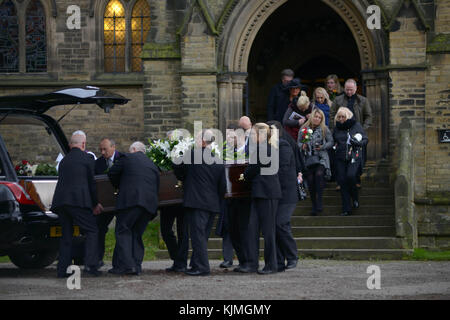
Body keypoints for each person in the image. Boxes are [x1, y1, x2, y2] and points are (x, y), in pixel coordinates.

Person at [173, 129, 227, 276]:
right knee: (203, 235)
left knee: (197, 236)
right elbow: (223, 186)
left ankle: (202, 267)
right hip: (212, 203)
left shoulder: (192, 154)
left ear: (203, 141)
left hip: (196, 201)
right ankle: (197, 263)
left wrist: (185, 178)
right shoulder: (218, 160)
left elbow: (176, 166)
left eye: (197, 138)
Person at [51, 132, 103, 278]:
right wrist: (95, 204)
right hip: (78, 202)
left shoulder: (64, 161)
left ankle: (63, 270)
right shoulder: (87, 159)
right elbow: (91, 184)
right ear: (84, 144)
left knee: (66, 235)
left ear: (70, 145)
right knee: (92, 230)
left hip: (61, 202)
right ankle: (91, 265)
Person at [107, 141, 160, 275]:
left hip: (130, 200)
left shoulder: (127, 157)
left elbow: (112, 172)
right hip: (148, 204)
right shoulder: (153, 165)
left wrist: (120, 186)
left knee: (123, 231)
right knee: (136, 234)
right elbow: (157, 185)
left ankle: (128, 266)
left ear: (134, 149)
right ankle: (136, 265)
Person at [242, 123, 282, 275]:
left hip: (267, 193)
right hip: (261, 192)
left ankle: (271, 264)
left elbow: (252, 170)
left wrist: (244, 176)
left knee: (267, 231)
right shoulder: (266, 148)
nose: (251, 137)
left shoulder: (262, 148)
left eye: (253, 134)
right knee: (253, 229)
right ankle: (252, 263)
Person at [267, 121, 300, 272]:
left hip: (287, 193)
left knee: (281, 223)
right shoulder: (269, 148)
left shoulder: (283, 145)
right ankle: (279, 260)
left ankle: (292, 256)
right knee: (274, 225)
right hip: (275, 193)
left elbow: (282, 167)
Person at [331, 79, 372, 187]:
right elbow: (332, 115)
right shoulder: (338, 100)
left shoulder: (363, 100)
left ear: (355, 88)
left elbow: (368, 116)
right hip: (341, 132)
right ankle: (340, 182)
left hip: (356, 132)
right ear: (344, 88)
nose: (349, 92)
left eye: (351, 90)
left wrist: (362, 129)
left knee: (358, 157)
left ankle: (357, 180)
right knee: (340, 158)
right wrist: (335, 128)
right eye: (347, 89)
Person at [332, 107, 368, 216]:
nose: (341, 119)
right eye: (339, 117)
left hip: (354, 156)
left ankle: (355, 197)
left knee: (351, 176)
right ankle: (346, 208)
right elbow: (334, 140)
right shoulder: (336, 128)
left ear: (348, 117)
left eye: (343, 116)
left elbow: (365, 139)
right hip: (340, 157)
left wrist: (357, 143)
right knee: (342, 181)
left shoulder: (355, 125)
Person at [94, 138, 124, 267]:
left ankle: (118, 262)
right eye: (101, 149)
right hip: (105, 202)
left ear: (113, 147)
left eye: (105, 149)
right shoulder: (98, 163)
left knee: (121, 229)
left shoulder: (122, 159)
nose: (102, 152)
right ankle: (98, 258)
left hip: (121, 200)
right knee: (99, 228)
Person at [298, 109, 333, 216]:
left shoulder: (324, 129)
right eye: (315, 116)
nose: (317, 119)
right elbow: (298, 143)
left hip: (321, 158)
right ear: (312, 117)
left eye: (319, 117)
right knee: (311, 180)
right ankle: (314, 204)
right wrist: (302, 146)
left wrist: (322, 147)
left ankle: (319, 201)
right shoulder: (303, 129)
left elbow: (331, 142)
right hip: (308, 159)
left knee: (319, 175)